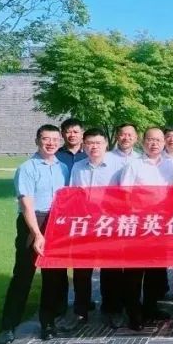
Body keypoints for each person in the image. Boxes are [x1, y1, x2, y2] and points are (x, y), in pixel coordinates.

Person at [0, 125, 71, 344]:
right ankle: (8, 327)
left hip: (56, 222)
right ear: (37, 141)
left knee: (53, 276)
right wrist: (37, 234)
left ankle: (47, 323)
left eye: (55, 139)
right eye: (46, 139)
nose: (51, 143)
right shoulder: (27, 168)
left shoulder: (63, 168)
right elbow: (26, 204)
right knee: (24, 274)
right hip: (33, 221)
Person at [119, 127, 173, 327]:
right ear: (143, 142)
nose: (154, 144)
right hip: (138, 226)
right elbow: (124, 194)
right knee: (134, 273)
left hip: (159, 226)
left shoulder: (169, 166)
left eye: (158, 140)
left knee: (155, 271)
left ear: (164, 143)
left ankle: (151, 307)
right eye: (150, 140)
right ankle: (134, 312)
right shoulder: (133, 165)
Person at [63, 128, 121, 325]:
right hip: (84, 224)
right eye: (89, 143)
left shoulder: (117, 167)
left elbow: (123, 196)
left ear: (106, 144)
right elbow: (72, 194)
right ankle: (81, 310)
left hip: (108, 224)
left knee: (111, 270)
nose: (94, 147)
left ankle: (111, 309)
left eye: (98, 143)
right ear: (84, 145)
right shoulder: (78, 167)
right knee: (81, 270)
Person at [100, 123, 142, 328]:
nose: (126, 137)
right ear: (117, 136)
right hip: (110, 218)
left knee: (134, 266)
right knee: (112, 266)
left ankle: (133, 306)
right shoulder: (106, 158)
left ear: (136, 137)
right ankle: (112, 308)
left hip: (135, 220)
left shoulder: (141, 159)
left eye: (130, 134)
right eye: (122, 134)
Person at [54, 118, 90, 321]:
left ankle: (82, 304)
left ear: (82, 133)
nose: (72, 135)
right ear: (63, 134)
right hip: (60, 216)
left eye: (76, 131)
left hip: (84, 216)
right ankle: (59, 304)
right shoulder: (55, 156)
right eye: (68, 131)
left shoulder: (89, 155)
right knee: (59, 262)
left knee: (83, 264)